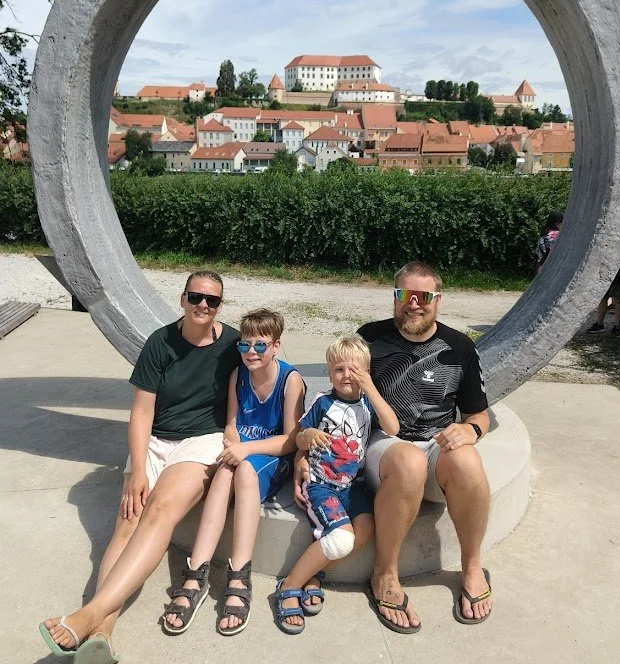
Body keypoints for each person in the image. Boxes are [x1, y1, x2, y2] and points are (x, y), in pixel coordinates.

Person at [39, 271, 240, 663]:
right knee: (128, 519)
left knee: (161, 511)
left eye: (212, 301)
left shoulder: (233, 343)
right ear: (182, 299)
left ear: (220, 306)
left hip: (202, 440)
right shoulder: (160, 343)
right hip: (155, 438)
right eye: (196, 297)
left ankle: (89, 615)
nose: (203, 305)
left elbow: (271, 368)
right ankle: (102, 631)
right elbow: (142, 410)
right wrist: (137, 472)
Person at [295, 261, 492, 633]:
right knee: (407, 461)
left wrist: (471, 432)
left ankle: (472, 566)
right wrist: (302, 456)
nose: (414, 303)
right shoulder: (370, 338)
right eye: (405, 294)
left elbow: (479, 414)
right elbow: (331, 405)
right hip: (383, 446)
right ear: (395, 296)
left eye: (424, 296)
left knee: (466, 461)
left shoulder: (459, 347)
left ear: (438, 300)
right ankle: (385, 574)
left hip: (435, 443)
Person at [163, 308, 305, 636]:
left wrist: (245, 450)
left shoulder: (290, 380)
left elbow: (290, 440)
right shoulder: (237, 376)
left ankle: (239, 572)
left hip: (269, 456)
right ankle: (196, 572)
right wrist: (232, 442)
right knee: (225, 472)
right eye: (244, 346)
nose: (251, 353)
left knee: (240, 471)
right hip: (241, 453)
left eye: (260, 345)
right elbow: (231, 422)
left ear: (275, 346)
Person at [275, 335, 399, 634]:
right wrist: (309, 438)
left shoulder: (369, 403)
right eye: (339, 369)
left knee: (366, 531)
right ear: (329, 373)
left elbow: (393, 427)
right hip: (322, 484)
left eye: (355, 370)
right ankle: (289, 585)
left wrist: (370, 388)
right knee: (342, 539)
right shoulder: (323, 402)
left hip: (353, 485)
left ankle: (315, 575)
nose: (347, 376)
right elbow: (299, 438)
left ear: (367, 373)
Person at [588, 230, 620, 336]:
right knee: (603, 297)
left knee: (617, 298)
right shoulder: (604, 230)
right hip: (605, 268)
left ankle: (616, 327)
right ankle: (599, 324)